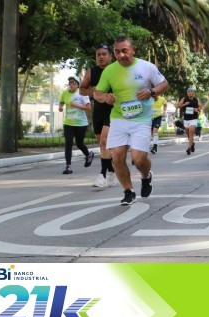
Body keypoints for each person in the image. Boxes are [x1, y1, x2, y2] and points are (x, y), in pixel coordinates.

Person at [93, 36, 169, 206]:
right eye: (117, 52)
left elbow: (164, 84)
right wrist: (105, 97)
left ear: (133, 50)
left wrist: (151, 92)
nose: (121, 55)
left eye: (124, 51)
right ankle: (128, 191)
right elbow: (97, 93)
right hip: (119, 118)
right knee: (117, 157)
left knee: (138, 159)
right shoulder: (109, 71)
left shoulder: (147, 67)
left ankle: (146, 176)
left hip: (142, 119)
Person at [80, 43, 116, 188]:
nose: (101, 57)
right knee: (102, 144)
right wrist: (92, 91)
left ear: (110, 56)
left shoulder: (116, 70)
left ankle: (102, 175)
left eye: (104, 54)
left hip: (113, 111)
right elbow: (82, 89)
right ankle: (112, 171)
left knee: (104, 141)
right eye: (98, 55)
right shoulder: (91, 72)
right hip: (98, 111)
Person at [58, 75, 94, 174]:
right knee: (68, 144)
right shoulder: (65, 93)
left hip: (80, 123)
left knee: (79, 143)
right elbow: (61, 101)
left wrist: (76, 105)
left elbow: (88, 108)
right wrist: (60, 107)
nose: (71, 85)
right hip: (68, 123)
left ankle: (88, 155)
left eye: (73, 83)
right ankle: (68, 166)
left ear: (78, 85)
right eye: (70, 83)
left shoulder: (82, 93)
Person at [176, 87, 200, 155]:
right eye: (189, 91)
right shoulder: (184, 99)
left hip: (194, 118)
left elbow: (200, 106)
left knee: (191, 131)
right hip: (186, 119)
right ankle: (192, 144)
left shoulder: (196, 99)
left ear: (193, 92)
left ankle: (189, 148)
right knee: (188, 133)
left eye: (191, 91)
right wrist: (184, 104)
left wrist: (197, 109)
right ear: (187, 93)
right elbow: (178, 106)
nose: (190, 92)